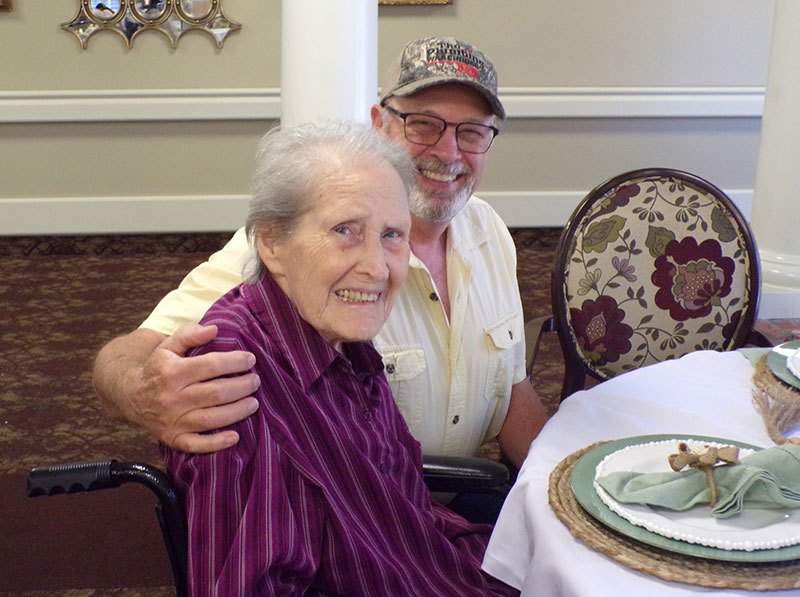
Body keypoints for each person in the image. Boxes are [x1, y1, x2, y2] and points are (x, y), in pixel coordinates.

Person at [93, 37, 549, 510]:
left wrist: (559, 484)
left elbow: (509, 384)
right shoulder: (298, 248)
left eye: (471, 132)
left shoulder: (490, 231)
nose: (449, 151)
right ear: (379, 125)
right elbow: (125, 357)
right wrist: (142, 393)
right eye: (424, 124)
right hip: (357, 520)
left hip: (454, 511)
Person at [162, 120, 516, 595]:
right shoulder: (235, 380)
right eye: (345, 230)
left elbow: (405, 514)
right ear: (272, 243)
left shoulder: (339, 335)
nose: (376, 267)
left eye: (392, 235)